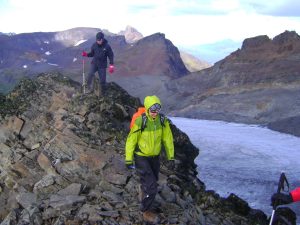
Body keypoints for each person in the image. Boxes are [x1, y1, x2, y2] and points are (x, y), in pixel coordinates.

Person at [125, 95, 175, 224]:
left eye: (157, 110)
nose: (155, 112)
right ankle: (145, 210)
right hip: (141, 156)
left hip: (154, 157)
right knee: (152, 186)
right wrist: (129, 159)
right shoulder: (141, 121)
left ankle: (143, 197)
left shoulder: (162, 121)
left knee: (151, 181)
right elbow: (131, 140)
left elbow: (168, 139)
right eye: (152, 110)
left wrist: (171, 157)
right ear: (147, 108)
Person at [82, 31, 114, 96]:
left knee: (102, 81)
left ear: (102, 39)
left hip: (102, 65)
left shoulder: (107, 46)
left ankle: (102, 94)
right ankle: (88, 87)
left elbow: (111, 55)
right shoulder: (94, 45)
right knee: (90, 74)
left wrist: (111, 65)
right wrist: (86, 54)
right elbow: (92, 54)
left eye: (99, 40)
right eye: (97, 40)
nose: (98, 41)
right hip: (94, 63)